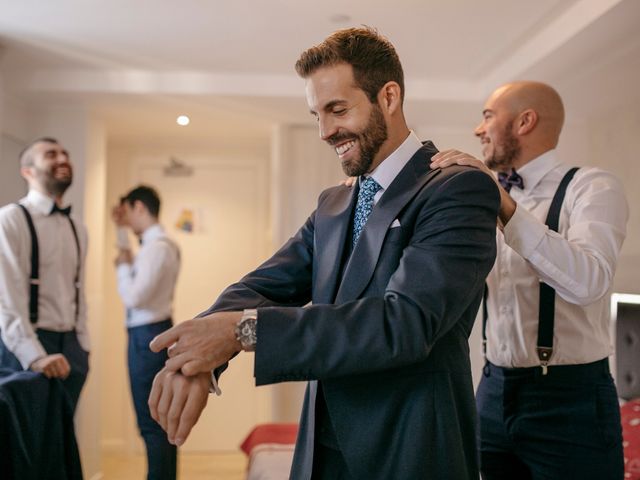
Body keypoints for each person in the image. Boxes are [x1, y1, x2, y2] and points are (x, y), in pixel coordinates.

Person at [148, 27, 500, 480]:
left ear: (388, 97)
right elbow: (264, 285)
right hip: (320, 451)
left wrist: (243, 332)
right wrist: (196, 356)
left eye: (337, 110)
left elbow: (404, 323)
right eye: (316, 114)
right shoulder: (333, 203)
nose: (325, 131)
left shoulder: (456, 188)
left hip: (411, 448)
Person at [430, 81, 628, 479]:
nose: (478, 129)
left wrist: (504, 204)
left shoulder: (592, 187)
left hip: (570, 400)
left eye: (488, 116)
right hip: (491, 389)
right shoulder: (478, 196)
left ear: (525, 121)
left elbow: (589, 281)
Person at [0, 137, 90, 413]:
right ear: (28, 171)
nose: (63, 159)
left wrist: (83, 347)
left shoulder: (77, 227)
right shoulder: (10, 220)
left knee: (61, 445)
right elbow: (6, 299)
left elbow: (77, 290)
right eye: (51, 155)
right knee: (27, 447)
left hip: (72, 347)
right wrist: (34, 356)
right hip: (28, 346)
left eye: (65, 153)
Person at [112, 185, 180, 480]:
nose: (126, 220)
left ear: (139, 207)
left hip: (148, 336)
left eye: (127, 212)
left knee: (153, 422)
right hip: (149, 333)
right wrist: (119, 233)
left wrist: (122, 268)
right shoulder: (155, 245)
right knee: (155, 422)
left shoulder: (158, 247)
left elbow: (134, 297)